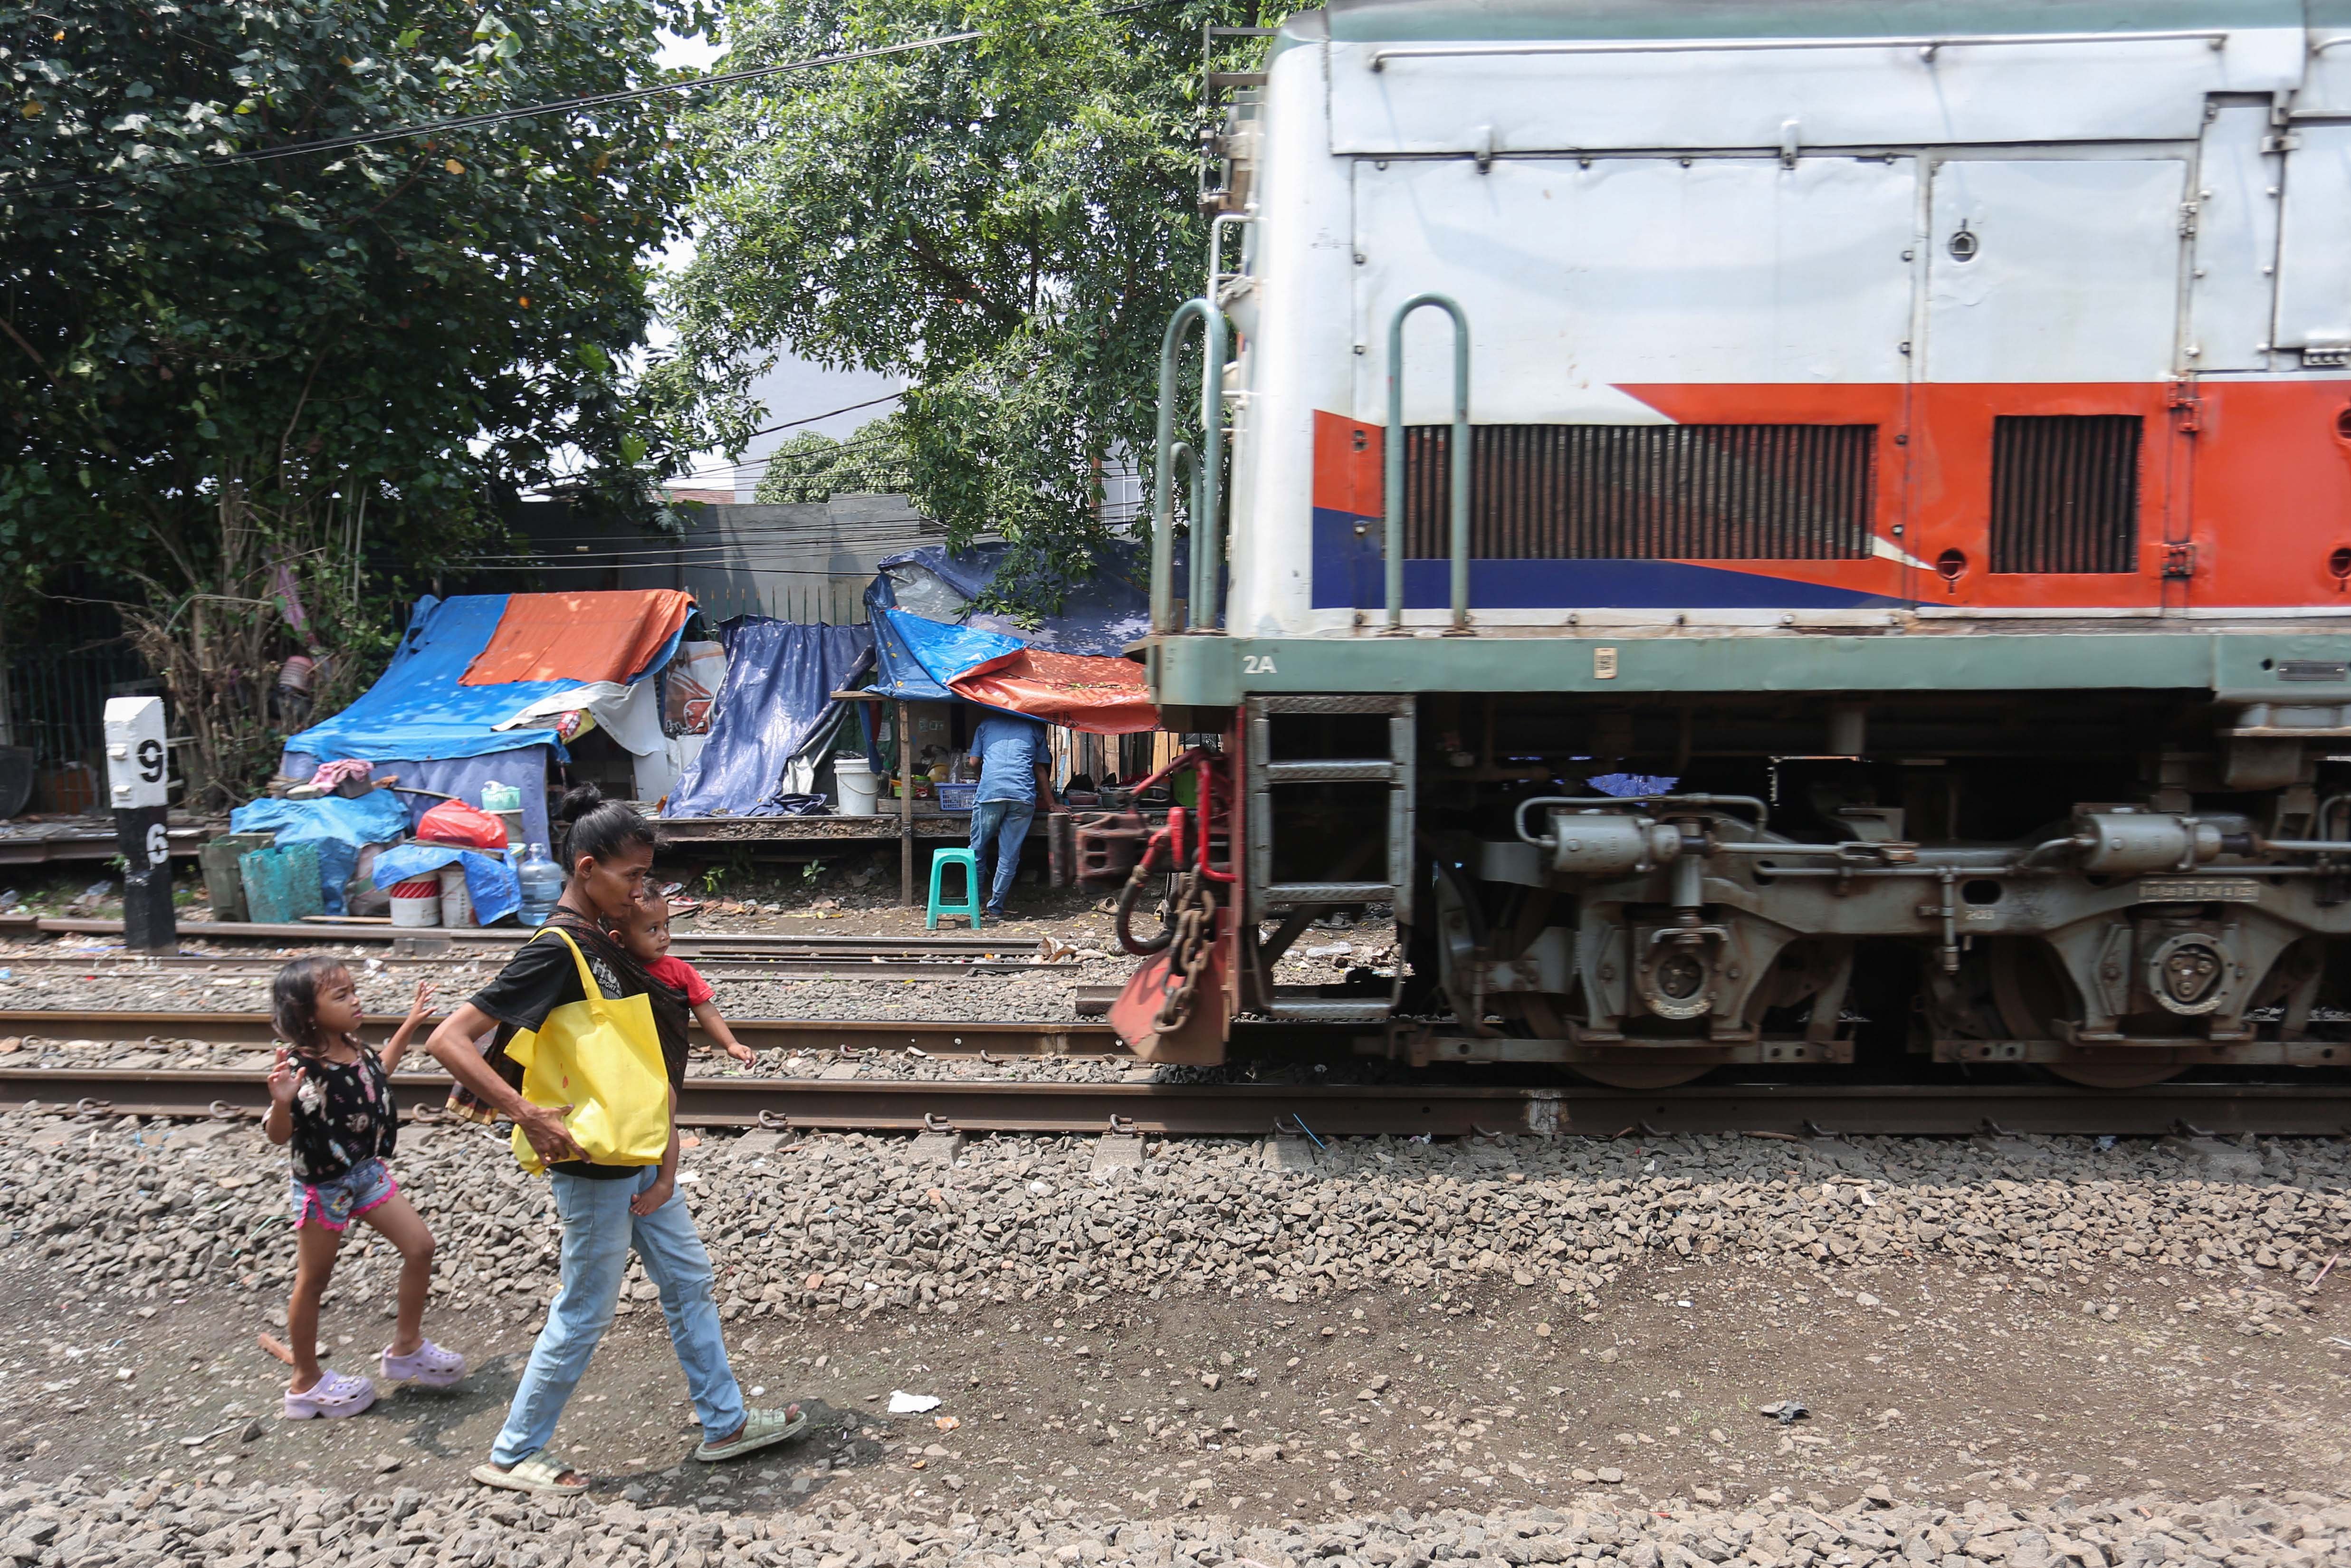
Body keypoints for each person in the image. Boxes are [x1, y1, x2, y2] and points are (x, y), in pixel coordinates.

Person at [423, 785, 803, 1497]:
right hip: (593, 1160)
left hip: (636, 1153)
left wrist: (665, 1151)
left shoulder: (601, 939)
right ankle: (513, 1455)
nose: (641, 894)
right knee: (584, 1311)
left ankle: (723, 1422)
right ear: (587, 868)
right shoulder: (559, 949)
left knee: (688, 1279)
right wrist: (527, 1114)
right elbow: (450, 1039)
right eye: (632, 878)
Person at [264, 960, 464, 1419]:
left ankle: (408, 1347)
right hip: (324, 1185)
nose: (356, 1000)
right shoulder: (301, 1065)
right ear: (307, 1013)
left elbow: (378, 1072)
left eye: (354, 991)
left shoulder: (352, 1046)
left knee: (420, 1246)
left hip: (365, 1173)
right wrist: (281, 1103)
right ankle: (306, 1384)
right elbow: (279, 1135)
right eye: (340, 996)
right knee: (313, 1280)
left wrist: (410, 1025)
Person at [618, 894, 756, 1067]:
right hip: (624, 1054)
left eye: (666, 926)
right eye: (653, 929)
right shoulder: (611, 968)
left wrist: (731, 1044)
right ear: (619, 939)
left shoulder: (679, 971)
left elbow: (704, 1008)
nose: (664, 936)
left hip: (667, 1055)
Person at [964, 710, 1053, 921]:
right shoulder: (1034, 727)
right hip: (1022, 797)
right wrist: (1052, 804)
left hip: (989, 795)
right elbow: (1040, 770)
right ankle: (995, 909)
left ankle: (973, 906)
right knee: (1009, 856)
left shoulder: (985, 725)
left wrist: (982, 778)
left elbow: (974, 762)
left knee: (977, 852)